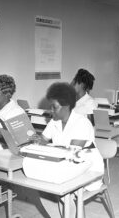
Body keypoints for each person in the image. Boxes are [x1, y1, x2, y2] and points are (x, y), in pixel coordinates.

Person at [38, 82, 104, 217]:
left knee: (60, 187)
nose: (51, 110)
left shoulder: (82, 123)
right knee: (41, 187)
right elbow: (42, 141)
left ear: (66, 106)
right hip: (65, 166)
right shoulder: (54, 121)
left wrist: (48, 147)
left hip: (88, 170)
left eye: (54, 107)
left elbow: (71, 154)